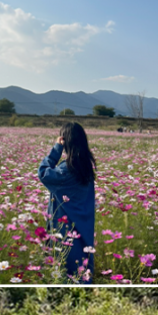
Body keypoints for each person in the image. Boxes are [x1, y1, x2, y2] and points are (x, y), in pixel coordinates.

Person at [38, 121, 97, 283]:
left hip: (66, 226)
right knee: (82, 264)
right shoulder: (86, 166)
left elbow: (44, 173)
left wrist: (56, 150)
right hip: (84, 223)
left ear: (66, 142)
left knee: (66, 265)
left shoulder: (67, 169)